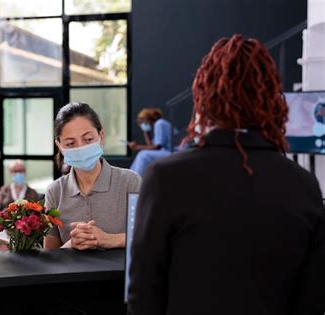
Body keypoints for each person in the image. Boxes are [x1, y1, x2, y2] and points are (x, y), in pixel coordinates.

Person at [127, 34, 325, 315]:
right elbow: (312, 302)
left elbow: (144, 297)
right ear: (273, 100)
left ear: (204, 96)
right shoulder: (304, 185)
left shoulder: (166, 178)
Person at [43, 102, 142, 250]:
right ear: (59, 146)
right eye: (70, 143)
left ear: (101, 136)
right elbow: (50, 256)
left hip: (119, 273)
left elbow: (151, 235)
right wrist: (71, 244)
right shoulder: (55, 192)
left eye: (88, 139)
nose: (81, 147)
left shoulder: (130, 182)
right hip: (73, 273)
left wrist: (109, 239)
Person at [128, 107, 172, 176]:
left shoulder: (160, 123)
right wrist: (145, 131)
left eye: (141, 122)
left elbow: (157, 147)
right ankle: (131, 177)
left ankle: (135, 179)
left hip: (171, 152)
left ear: (146, 119)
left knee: (143, 155)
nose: (141, 124)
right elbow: (151, 145)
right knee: (142, 154)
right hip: (166, 151)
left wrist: (137, 147)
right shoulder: (157, 125)